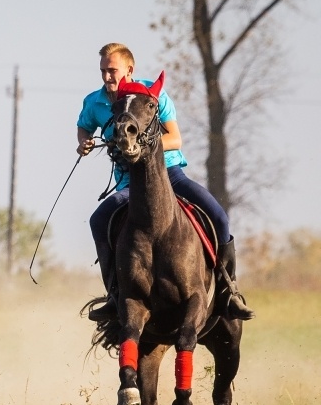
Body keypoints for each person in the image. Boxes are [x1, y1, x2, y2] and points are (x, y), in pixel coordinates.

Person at [76, 43, 254, 322]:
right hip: (128, 183)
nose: (107, 77)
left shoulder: (153, 95)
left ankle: (228, 293)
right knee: (98, 221)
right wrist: (83, 142)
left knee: (219, 217)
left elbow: (175, 138)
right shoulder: (95, 101)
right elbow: (84, 125)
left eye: (112, 71)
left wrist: (138, 143)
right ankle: (114, 295)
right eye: (103, 71)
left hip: (170, 174)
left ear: (129, 70)